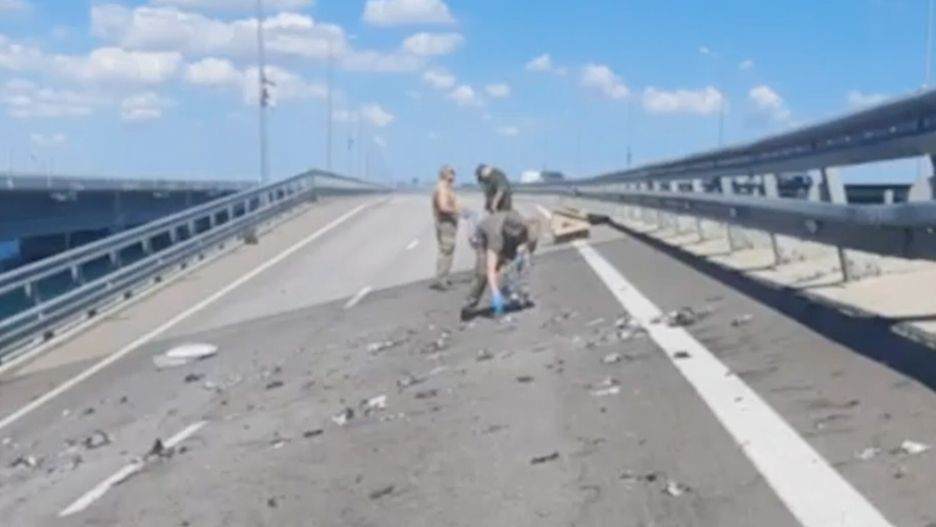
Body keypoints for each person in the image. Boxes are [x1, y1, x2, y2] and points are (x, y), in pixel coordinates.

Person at [461, 209, 539, 321]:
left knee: (516, 261)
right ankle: (469, 304)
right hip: (482, 236)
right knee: (483, 273)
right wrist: (495, 294)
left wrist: (521, 259)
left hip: (507, 234)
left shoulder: (523, 225)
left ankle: (514, 293)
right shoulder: (496, 236)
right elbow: (490, 269)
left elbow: (529, 244)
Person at [431, 164, 459, 290]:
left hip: (448, 223)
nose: (453, 176)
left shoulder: (447, 188)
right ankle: (441, 280)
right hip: (445, 223)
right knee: (446, 250)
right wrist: (456, 211)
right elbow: (443, 206)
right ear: (445, 175)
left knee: (447, 251)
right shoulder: (442, 188)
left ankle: (443, 278)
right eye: (451, 173)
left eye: (453, 174)